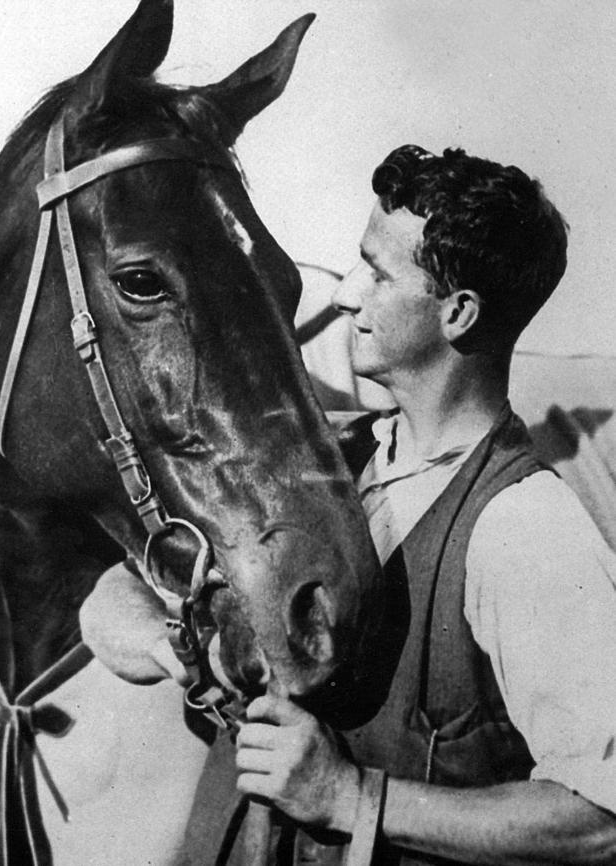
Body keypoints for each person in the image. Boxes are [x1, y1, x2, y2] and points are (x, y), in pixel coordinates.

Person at [227, 146, 616, 866]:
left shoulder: (523, 528)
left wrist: (350, 797)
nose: (346, 295)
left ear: (459, 313)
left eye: (377, 274)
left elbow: (601, 816)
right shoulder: (337, 463)